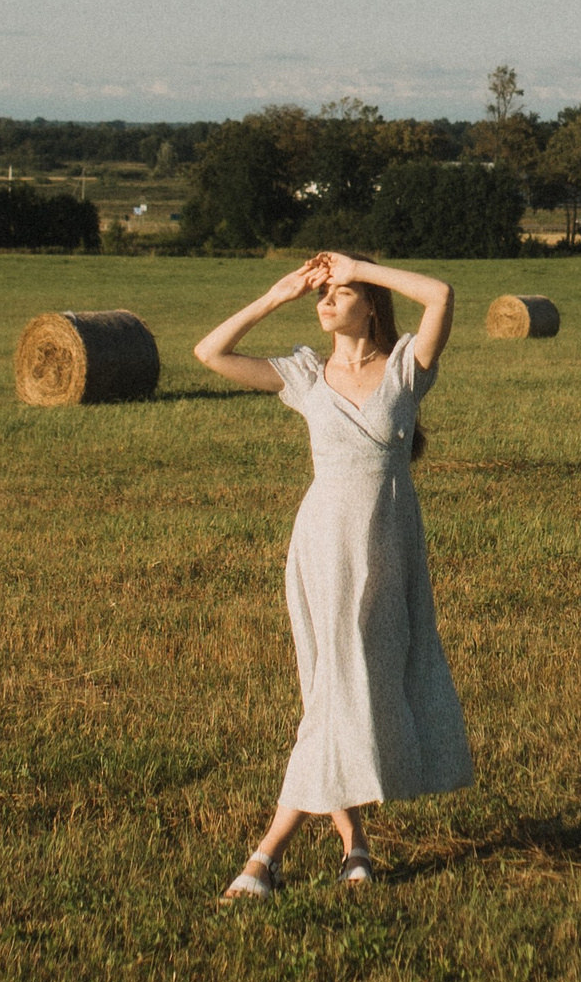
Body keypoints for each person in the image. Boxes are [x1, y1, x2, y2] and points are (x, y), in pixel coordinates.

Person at [192, 251, 474, 897]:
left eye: (342, 292)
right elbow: (210, 352)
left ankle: (336, 849)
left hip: (387, 549)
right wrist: (278, 294)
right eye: (325, 294)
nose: (327, 300)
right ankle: (276, 856)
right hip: (322, 549)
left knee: (350, 690)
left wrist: (360, 267)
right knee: (331, 691)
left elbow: (440, 293)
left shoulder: (406, 367)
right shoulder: (304, 375)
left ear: (370, 303)